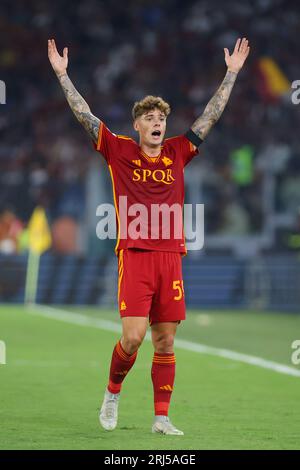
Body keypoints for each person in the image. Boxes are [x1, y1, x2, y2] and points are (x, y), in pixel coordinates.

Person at [48, 37, 250, 435]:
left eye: (162, 118)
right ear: (137, 125)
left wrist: (231, 73)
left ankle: (161, 418)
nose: (159, 123)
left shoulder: (179, 150)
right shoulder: (118, 150)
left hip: (170, 256)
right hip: (136, 254)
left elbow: (210, 116)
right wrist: (62, 75)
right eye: (151, 118)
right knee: (134, 337)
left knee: (166, 342)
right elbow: (84, 114)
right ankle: (112, 394)